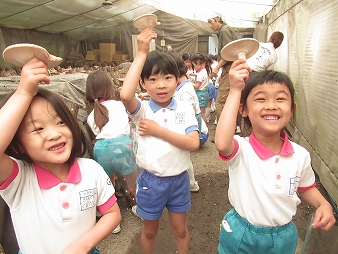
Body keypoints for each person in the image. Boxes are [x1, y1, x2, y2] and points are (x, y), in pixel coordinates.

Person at [0, 58, 121, 254]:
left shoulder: (92, 170)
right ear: (19, 144)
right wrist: (24, 92)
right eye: (38, 128)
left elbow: (112, 214)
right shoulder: (19, 180)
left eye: (60, 122)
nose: (54, 134)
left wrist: (84, 244)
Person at [214, 59, 336, 254]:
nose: (271, 105)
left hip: (283, 236)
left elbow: (306, 187)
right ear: (243, 110)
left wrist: (324, 204)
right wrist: (236, 90)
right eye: (261, 99)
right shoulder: (242, 149)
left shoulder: (300, 155)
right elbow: (221, 142)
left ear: (292, 109)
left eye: (280, 99)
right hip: (241, 231)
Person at [120, 28, 200, 254]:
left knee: (180, 229)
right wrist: (142, 52)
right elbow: (126, 95)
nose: (161, 85)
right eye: (153, 79)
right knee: (150, 230)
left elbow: (193, 143)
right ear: (143, 83)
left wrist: (158, 130)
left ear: (177, 80)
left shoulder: (184, 107)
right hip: (151, 181)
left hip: (179, 180)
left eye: (167, 78)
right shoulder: (142, 110)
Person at [85, 70, 139, 233]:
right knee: (133, 182)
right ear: (109, 87)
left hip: (101, 150)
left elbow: (97, 134)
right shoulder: (119, 105)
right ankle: (142, 209)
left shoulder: (91, 115)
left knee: (108, 185)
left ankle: (113, 222)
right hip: (123, 147)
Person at [171, 53, 205, 192]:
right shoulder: (184, 87)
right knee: (184, 155)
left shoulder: (184, 91)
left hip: (186, 125)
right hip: (187, 123)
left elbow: (188, 111)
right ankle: (191, 183)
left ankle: (192, 183)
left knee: (184, 155)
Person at [208, 15, 238, 127]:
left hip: (230, 66)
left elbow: (230, 52)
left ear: (218, 19)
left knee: (221, 102)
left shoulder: (224, 30)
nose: (210, 26)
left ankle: (224, 132)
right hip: (229, 68)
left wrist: (216, 68)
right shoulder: (224, 30)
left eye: (211, 22)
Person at [190, 52, 211, 124]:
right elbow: (199, 75)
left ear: (198, 63)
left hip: (200, 94)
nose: (194, 67)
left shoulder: (201, 74)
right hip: (205, 93)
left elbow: (197, 86)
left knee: (201, 113)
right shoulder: (205, 71)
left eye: (194, 65)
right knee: (202, 112)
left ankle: (204, 128)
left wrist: (189, 83)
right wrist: (193, 74)